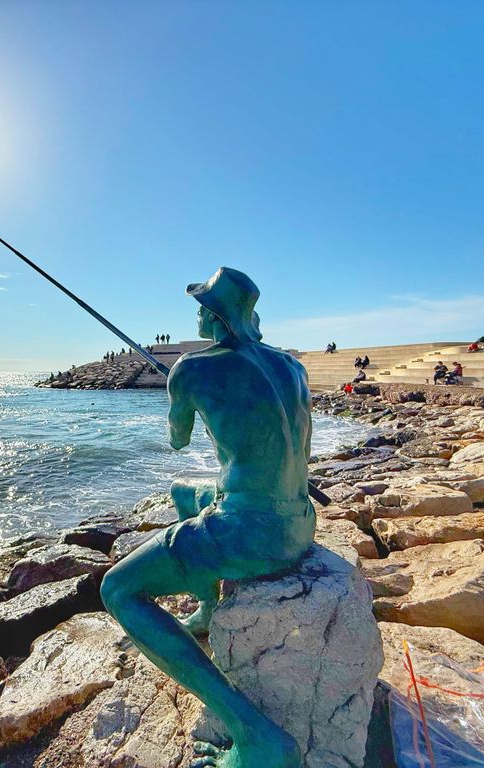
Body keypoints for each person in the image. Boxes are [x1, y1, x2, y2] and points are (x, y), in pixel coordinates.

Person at [101, 267, 310, 768]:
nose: (196, 314)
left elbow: (177, 440)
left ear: (214, 316)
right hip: (301, 521)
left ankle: (256, 736)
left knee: (118, 590)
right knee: (183, 493)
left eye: (201, 307)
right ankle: (209, 609)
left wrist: (181, 393)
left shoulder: (191, 369)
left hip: (251, 534)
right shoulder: (292, 366)